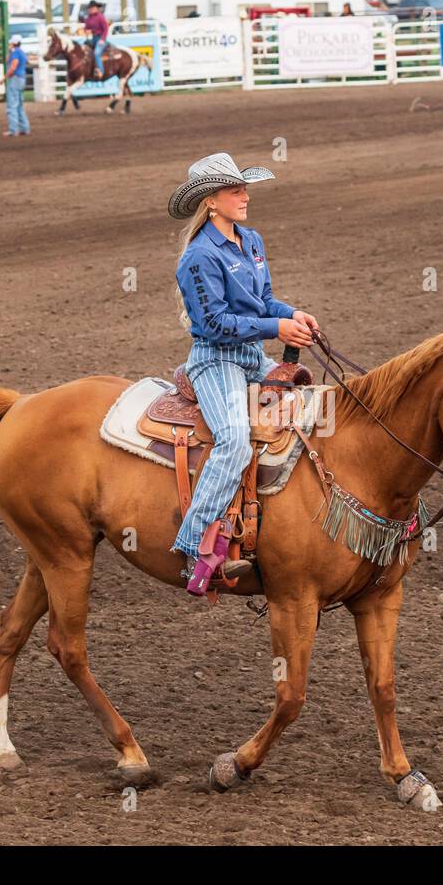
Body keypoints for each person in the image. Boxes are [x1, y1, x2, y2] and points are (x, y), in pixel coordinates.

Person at [167, 152, 320, 596]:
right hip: (217, 360)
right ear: (211, 201)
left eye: (244, 188)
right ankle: (195, 544)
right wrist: (277, 327)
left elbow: (264, 299)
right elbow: (213, 323)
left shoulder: (250, 241)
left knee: (315, 413)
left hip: (253, 355)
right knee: (234, 440)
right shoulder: (198, 258)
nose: (245, 196)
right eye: (236, 190)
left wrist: (292, 313)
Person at [0, 33, 30, 136]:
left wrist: (4, 78)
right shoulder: (21, 52)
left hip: (15, 79)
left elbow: (12, 67)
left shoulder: (16, 53)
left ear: (14, 43)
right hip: (22, 79)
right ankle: (25, 128)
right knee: (20, 105)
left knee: (12, 105)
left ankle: (13, 130)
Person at [83, 0, 109, 79]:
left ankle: (101, 71)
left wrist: (102, 39)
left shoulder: (100, 17)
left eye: (92, 8)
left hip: (100, 38)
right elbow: (86, 27)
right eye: (90, 8)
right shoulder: (89, 18)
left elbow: (106, 29)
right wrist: (86, 31)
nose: (90, 9)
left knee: (97, 53)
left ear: (96, 8)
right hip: (93, 38)